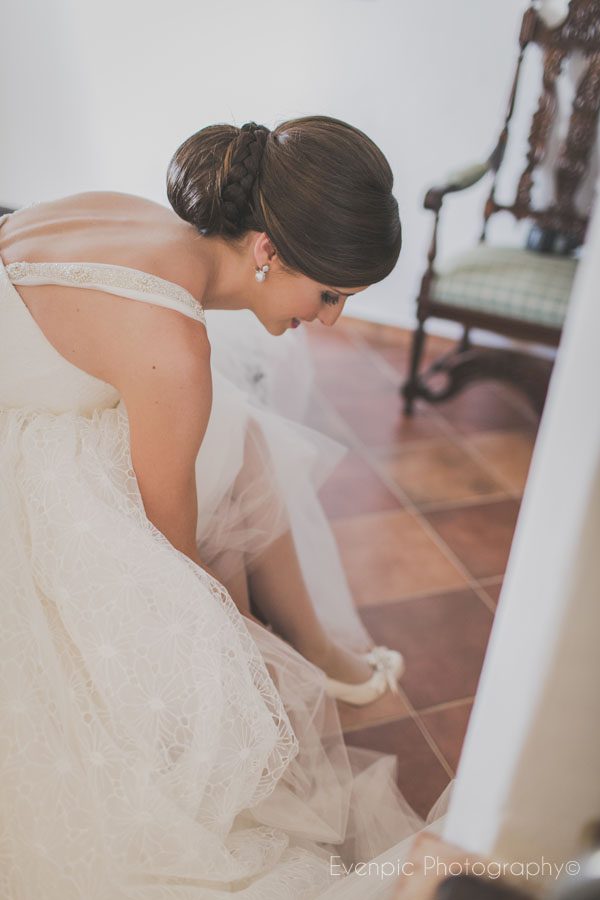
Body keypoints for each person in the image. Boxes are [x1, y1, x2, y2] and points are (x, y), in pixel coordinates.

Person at [0, 116, 447, 898]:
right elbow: (170, 561)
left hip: (37, 396)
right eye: (330, 293)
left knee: (235, 436)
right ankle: (278, 679)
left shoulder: (145, 223)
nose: (331, 319)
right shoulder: (171, 345)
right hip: (21, 437)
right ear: (267, 250)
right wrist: (229, 653)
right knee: (209, 551)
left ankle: (310, 653)